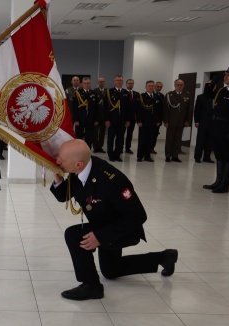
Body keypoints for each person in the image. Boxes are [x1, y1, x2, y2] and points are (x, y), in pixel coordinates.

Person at [50, 139, 178, 300]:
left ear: (78, 164)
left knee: (73, 235)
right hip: (104, 223)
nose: (58, 161)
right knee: (111, 270)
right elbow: (64, 196)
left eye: (62, 159)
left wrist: (101, 236)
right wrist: (58, 179)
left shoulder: (111, 181)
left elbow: (137, 216)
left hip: (121, 230)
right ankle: (164, 257)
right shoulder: (80, 171)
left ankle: (91, 286)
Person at [203, 65, 229, 193]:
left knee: (227, 156)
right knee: (219, 155)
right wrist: (212, 82)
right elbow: (207, 95)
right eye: (225, 75)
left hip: (227, 130)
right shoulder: (222, 91)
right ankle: (218, 181)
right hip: (216, 127)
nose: (226, 77)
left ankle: (225, 184)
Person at [163, 79, 192, 162]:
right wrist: (166, 121)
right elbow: (165, 109)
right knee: (169, 139)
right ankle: (168, 156)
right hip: (171, 121)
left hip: (181, 121)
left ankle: (175, 156)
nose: (179, 86)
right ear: (174, 85)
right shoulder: (169, 95)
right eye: (177, 85)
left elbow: (188, 110)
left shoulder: (187, 95)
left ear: (184, 85)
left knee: (178, 140)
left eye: (181, 85)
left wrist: (187, 120)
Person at [104, 75, 131, 162]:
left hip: (122, 121)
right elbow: (105, 107)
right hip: (112, 120)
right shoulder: (109, 92)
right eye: (117, 80)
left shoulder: (125, 92)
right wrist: (107, 119)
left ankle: (117, 154)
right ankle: (111, 155)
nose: (119, 82)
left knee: (120, 139)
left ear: (123, 82)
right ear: (114, 82)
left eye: (120, 80)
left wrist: (128, 120)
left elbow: (128, 108)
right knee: (110, 139)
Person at [136, 81, 160, 162]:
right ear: (145, 87)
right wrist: (139, 121)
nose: (151, 87)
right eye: (149, 86)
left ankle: (147, 156)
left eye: (152, 86)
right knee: (142, 140)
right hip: (143, 122)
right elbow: (138, 110)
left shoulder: (157, 96)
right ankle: (140, 156)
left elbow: (159, 110)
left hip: (153, 122)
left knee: (150, 140)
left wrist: (159, 120)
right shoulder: (142, 96)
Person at [71, 77, 97, 148]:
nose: (86, 84)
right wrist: (75, 119)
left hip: (90, 119)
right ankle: (78, 153)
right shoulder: (77, 93)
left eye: (88, 83)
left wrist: (96, 119)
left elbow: (96, 108)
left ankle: (87, 154)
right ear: (82, 84)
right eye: (85, 83)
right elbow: (74, 108)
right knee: (78, 138)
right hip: (80, 119)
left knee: (89, 138)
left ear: (90, 84)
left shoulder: (93, 93)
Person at [193, 93, 214, 163]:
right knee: (200, 140)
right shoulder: (201, 97)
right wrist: (197, 121)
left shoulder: (217, 97)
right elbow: (197, 109)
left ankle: (207, 157)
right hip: (203, 122)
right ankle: (197, 157)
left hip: (213, 123)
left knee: (210, 141)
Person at [124, 79, 139, 154]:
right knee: (121, 134)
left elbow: (138, 107)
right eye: (129, 83)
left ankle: (127, 148)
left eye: (132, 83)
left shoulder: (136, 94)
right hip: (123, 117)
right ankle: (120, 147)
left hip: (132, 118)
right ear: (126, 84)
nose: (130, 84)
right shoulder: (123, 93)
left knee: (130, 134)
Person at [92, 77, 107, 153]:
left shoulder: (107, 91)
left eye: (103, 82)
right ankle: (95, 147)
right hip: (96, 116)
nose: (101, 83)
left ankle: (100, 146)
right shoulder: (94, 91)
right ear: (98, 83)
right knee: (95, 133)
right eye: (100, 82)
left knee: (102, 133)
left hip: (104, 116)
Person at [151, 81, 164, 154]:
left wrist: (160, 120)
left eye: (160, 87)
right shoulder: (150, 94)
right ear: (155, 86)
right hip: (150, 119)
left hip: (157, 120)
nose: (159, 88)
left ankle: (152, 148)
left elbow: (162, 109)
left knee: (155, 134)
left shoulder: (162, 96)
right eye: (158, 86)